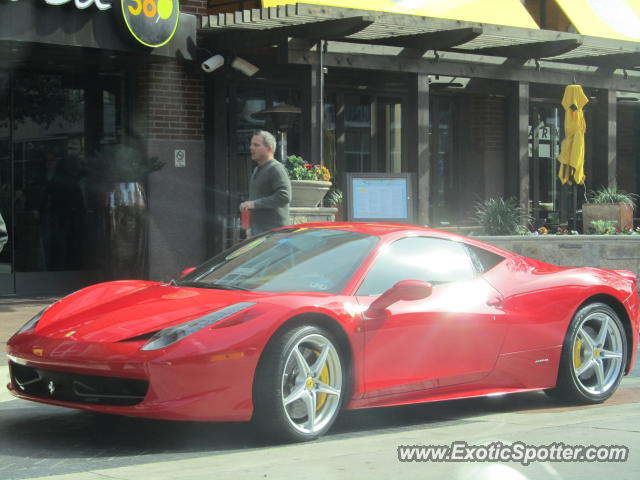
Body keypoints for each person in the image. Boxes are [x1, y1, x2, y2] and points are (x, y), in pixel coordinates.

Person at [239, 130, 291, 234]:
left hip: (275, 234)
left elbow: (285, 196)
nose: (251, 147)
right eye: (251, 144)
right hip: (259, 233)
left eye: (256, 145)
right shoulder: (257, 170)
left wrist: (254, 204)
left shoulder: (276, 168)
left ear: (269, 148)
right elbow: (256, 200)